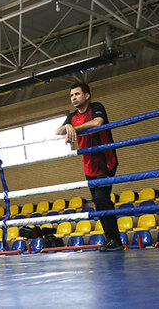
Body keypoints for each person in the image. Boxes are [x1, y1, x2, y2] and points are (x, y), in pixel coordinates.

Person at [55, 82, 123, 251]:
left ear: (87, 95)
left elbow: (97, 123)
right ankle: (111, 240)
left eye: (77, 94)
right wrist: (69, 125)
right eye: (71, 96)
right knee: (98, 203)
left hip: (106, 161)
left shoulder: (97, 107)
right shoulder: (72, 116)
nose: (74, 98)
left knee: (101, 199)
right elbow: (58, 131)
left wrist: (74, 128)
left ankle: (115, 239)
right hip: (89, 166)